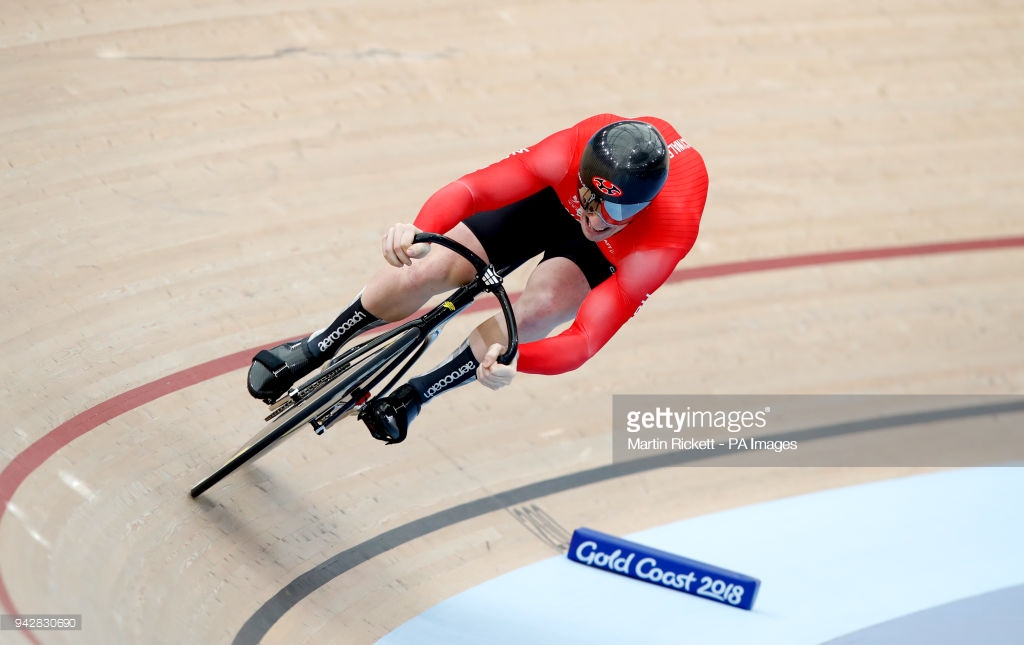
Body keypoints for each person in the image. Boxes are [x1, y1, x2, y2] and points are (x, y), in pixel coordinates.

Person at [247, 113, 709, 444]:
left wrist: (517, 359)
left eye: (615, 210)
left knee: (541, 308)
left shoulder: (663, 237)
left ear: (643, 208)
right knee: (431, 266)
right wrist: (419, 230)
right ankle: (320, 344)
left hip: (615, 251)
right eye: (590, 197)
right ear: (583, 175)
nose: (594, 217)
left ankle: (417, 393)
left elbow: (585, 339)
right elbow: (474, 190)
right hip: (550, 198)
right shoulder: (569, 154)